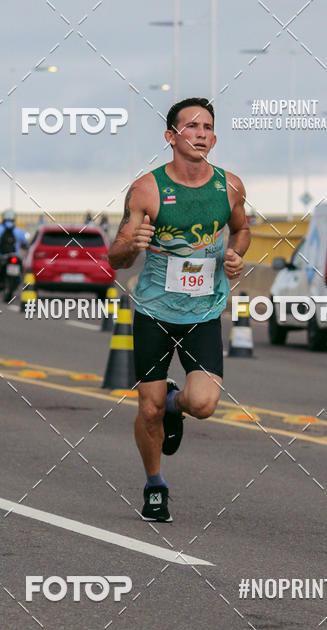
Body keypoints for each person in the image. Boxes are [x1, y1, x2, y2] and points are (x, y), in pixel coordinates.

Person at [108, 97, 250, 523]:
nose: (201, 133)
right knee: (146, 408)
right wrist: (130, 246)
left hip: (204, 311)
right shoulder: (146, 190)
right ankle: (155, 485)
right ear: (171, 137)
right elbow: (116, 257)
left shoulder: (230, 186)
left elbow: (242, 229)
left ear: (215, 137)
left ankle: (176, 404)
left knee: (203, 404)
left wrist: (236, 255)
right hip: (154, 309)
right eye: (191, 126)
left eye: (207, 126)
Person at [0, 208, 27, 293]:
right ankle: (17, 281)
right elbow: (25, 242)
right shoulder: (19, 231)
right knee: (21, 269)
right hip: (15, 256)